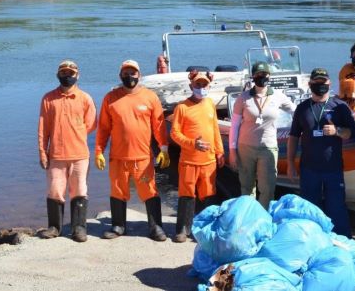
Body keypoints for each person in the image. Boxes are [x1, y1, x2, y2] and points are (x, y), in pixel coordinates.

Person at [95, 60, 170, 241]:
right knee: (118, 191)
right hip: (118, 157)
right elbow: (103, 128)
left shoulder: (150, 97)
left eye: (133, 73)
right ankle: (118, 226)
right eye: (126, 73)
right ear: (120, 75)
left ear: (139, 75)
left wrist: (164, 148)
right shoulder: (110, 98)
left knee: (149, 191)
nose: (130, 76)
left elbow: (159, 126)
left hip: (143, 157)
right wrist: (98, 151)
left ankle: (156, 227)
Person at [287, 68, 355, 238]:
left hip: (333, 169)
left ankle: (342, 241)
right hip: (309, 168)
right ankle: (312, 241)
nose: (320, 85)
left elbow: (352, 132)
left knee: (337, 208)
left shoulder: (340, 106)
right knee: (310, 210)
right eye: (316, 83)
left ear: (329, 83)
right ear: (310, 84)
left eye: (323, 82)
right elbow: (294, 136)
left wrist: (337, 130)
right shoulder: (302, 108)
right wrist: (290, 163)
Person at [37, 60, 97, 242]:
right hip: (55, 155)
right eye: (64, 73)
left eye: (70, 73)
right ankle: (55, 228)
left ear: (77, 75)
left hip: (80, 155)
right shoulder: (48, 98)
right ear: (58, 75)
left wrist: (74, 133)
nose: (67, 76)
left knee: (79, 190)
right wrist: (42, 151)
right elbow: (43, 128)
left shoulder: (85, 98)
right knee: (55, 191)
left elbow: (91, 124)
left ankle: (79, 228)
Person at [229, 62, 296, 209]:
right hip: (245, 147)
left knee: (267, 188)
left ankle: (263, 217)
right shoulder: (243, 98)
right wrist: (233, 151)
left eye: (264, 74)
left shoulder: (278, 96)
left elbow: (295, 111)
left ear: (269, 76)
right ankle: (248, 216)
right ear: (253, 77)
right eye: (258, 75)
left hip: (268, 147)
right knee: (247, 187)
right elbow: (234, 126)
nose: (261, 77)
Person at [170, 69, 224, 243]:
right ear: (191, 85)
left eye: (204, 84)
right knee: (186, 195)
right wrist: (193, 143)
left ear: (209, 86)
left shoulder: (210, 104)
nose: (201, 87)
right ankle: (182, 229)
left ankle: (202, 229)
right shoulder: (182, 107)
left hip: (208, 161)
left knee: (207, 195)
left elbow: (215, 129)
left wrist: (220, 151)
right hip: (188, 161)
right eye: (198, 84)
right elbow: (175, 134)